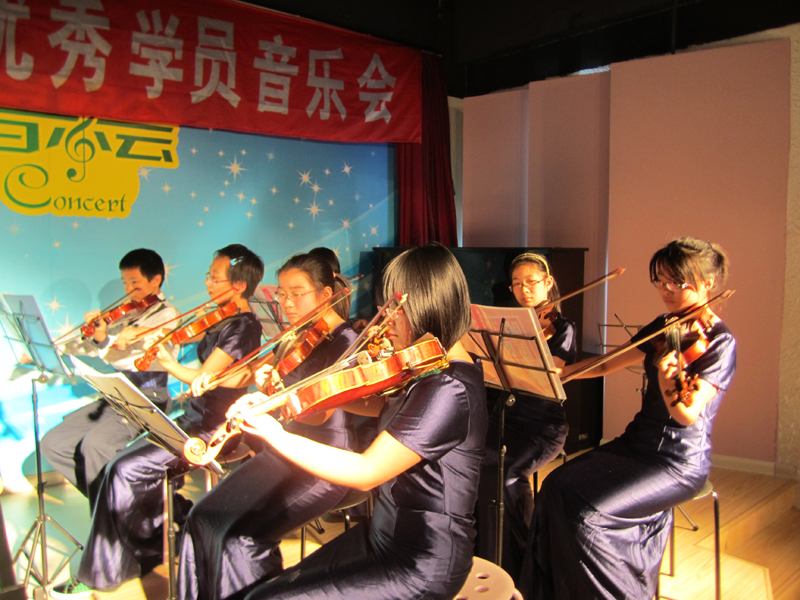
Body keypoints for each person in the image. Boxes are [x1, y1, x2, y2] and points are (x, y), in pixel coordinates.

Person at [233, 243, 487, 600]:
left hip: (420, 561)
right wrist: (297, 397)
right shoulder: (428, 367)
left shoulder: (449, 386)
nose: (385, 320)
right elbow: (383, 406)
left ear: (427, 304)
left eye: (395, 308)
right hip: (382, 535)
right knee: (270, 592)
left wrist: (273, 432)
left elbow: (367, 471)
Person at [519, 237, 736, 600]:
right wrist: (562, 374)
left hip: (676, 462)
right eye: (660, 281)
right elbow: (608, 363)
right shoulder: (665, 325)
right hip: (636, 444)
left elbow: (686, 414)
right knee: (555, 487)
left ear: (708, 283)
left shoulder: (718, 342)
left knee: (589, 517)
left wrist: (666, 379)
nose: (665, 290)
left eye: (676, 282)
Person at [51, 244, 264, 598]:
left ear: (239, 285)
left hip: (216, 430)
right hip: (193, 419)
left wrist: (167, 363)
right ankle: (150, 537)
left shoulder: (243, 327)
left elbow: (205, 379)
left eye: (214, 278)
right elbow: (180, 332)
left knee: (123, 469)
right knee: (117, 464)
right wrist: (146, 335)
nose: (208, 283)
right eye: (208, 276)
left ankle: (103, 573)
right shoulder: (221, 316)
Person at [177, 251, 361, 600]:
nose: (287, 303)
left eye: (297, 294)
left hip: (324, 457)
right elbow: (258, 376)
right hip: (285, 447)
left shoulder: (347, 340)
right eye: (282, 295)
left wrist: (275, 393)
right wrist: (254, 381)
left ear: (326, 294)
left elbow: (319, 414)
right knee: (202, 516)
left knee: (240, 539)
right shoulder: (301, 334)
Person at [43, 249, 180, 510]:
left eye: (134, 283)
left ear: (156, 280)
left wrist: (104, 339)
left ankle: (117, 512)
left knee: (96, 444)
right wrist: (55, 347)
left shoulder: (168, 315)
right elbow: (96, 347)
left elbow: (127, 356)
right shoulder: (126, 313)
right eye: (125, 283)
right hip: (117, 393)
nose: (128, 290)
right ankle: (109, 507)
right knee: (54, 443)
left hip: (149, 394)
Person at [475, 252, 577, 582]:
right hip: (505, 416)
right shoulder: (507, 323)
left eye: (531, 282)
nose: (524, 289)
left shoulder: (562, 328)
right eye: (516, 284)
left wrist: (530, 350)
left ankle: (520, 564)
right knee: (470, 461)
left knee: (504, 473)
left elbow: (551, 376)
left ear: (548, 282)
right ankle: (479, 554)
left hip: (541, 426)